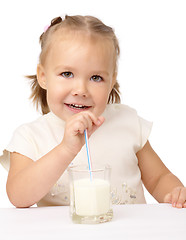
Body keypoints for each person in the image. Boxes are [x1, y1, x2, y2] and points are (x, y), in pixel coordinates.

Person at [0, 15, 185, 208]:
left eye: (96, 77)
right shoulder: (30, 137)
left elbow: (158, 178)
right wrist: (66, 149)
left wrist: (173, 193)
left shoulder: (128, 123)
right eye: (67, 74)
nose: (81, 89)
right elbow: (18, 196)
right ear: (43, 77)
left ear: (112, 80)